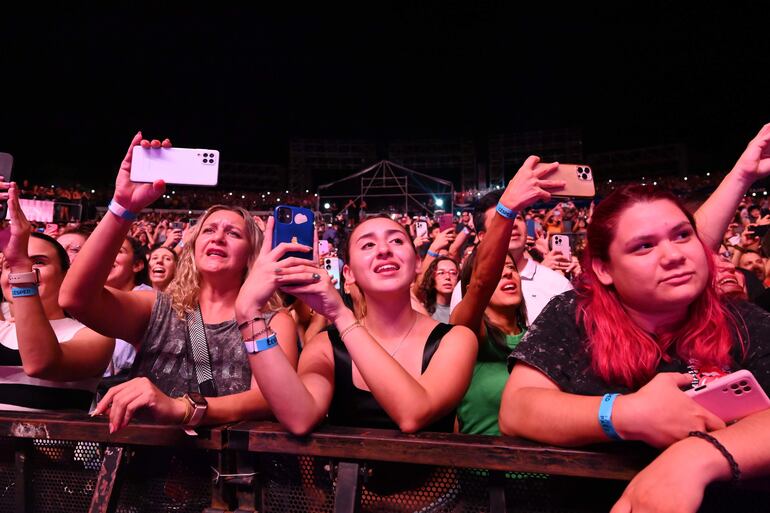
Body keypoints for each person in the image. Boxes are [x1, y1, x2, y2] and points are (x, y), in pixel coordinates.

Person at [500, 123, 770, 513]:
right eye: (643, 246)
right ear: (605, 269)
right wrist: (624, 414)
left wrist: (698, 457)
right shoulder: (574, 313)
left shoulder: (742, 318)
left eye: (682, 235)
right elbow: (518, 409)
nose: (674, 255)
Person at [59, 133, 299, 433]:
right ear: (194, 246)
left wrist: (183, 408)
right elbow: (75, 298)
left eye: (233, 233)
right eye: (208, 230)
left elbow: (268, 398)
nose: (218, 237)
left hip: (230, 471)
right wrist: (122, 207)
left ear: (251, 253)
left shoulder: (273, 321)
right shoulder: (156, 308)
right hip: (148, 472)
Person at [450, 156, 560, 436]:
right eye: (499, 271)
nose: (507, 274)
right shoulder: (471, 332)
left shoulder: (535, 337)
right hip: (486, 476)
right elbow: (480, 284)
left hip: (542, 473)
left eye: (511, 269)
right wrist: (507, 208)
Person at [0, 181, 114, 411]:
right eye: (7, 265)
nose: (17, 271)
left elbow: (41, 364)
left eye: (39, 262)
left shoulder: (93, 335)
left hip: (47, 447)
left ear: (65, 275)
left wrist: (21, 267)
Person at [450, 188, 572, 325]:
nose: (513, 224)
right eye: (503, 219)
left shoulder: (558, 284)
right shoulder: (467, 291)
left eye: (518, 217)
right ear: (482, 237)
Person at [414, 256, 458, 323]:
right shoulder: (423, 310)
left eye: (453, 273)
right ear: (432, 278)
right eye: (441, 273)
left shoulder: (463, 309)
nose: (448, 277)